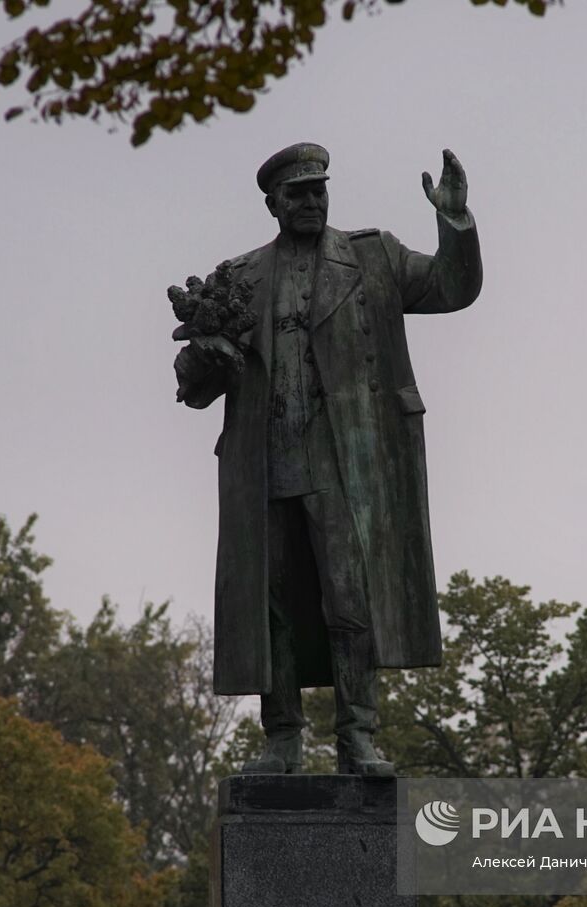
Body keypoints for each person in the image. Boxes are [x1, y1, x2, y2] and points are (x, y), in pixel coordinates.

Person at [174, 142, 482, 776]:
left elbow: (453, 288)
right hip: (265, 465)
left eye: (320, 190)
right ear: (273, 204)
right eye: (298, 194)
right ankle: (282, 737)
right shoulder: (240, 277)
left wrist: (455, 222)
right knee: (274, 605)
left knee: (351, 601)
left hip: (348, 464)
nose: (312, 201)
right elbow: (193, 385)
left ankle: (357, 736)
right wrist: (205, 354)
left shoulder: (373, 257)